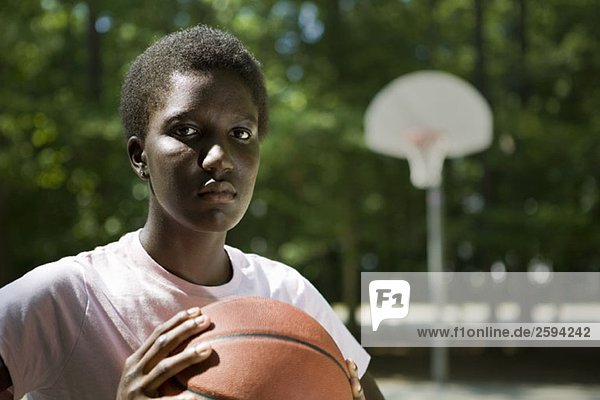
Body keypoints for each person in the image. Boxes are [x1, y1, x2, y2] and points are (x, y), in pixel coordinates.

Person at [0, 25, 384, 400]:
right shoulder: (65, 298)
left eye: (241, 134)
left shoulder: (287, 295)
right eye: (186, 131)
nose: (219, 158)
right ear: (140, 156)